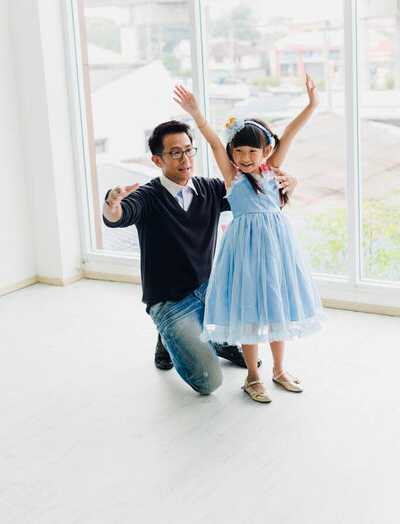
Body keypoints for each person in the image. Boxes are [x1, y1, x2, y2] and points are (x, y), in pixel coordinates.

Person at [103, 119, 298, 395]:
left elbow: (257, 197)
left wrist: (290, 182)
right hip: (172, 301)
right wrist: (111, 204)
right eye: (174, 152)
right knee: (208, 383)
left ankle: (213, 337)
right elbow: (119, 216)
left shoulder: (210, 188)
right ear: (157, 160)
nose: (185, 158)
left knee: (249, 309)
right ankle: (168, 336)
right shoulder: (147, 197)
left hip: (210, 290)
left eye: (188, 150)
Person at [173, 75, 323, 403]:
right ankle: (253, 375)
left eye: (251, 151)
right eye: (237, 151)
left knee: (276, 307)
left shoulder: (272, 170)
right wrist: (197, 115)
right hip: (244, 249)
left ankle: (279, 369)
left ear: (265, 150)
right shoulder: (233, 177)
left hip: (277, 248)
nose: (244, 157)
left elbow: (291, 133)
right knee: (250, 310)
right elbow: (213, 141)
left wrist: (312, 105)